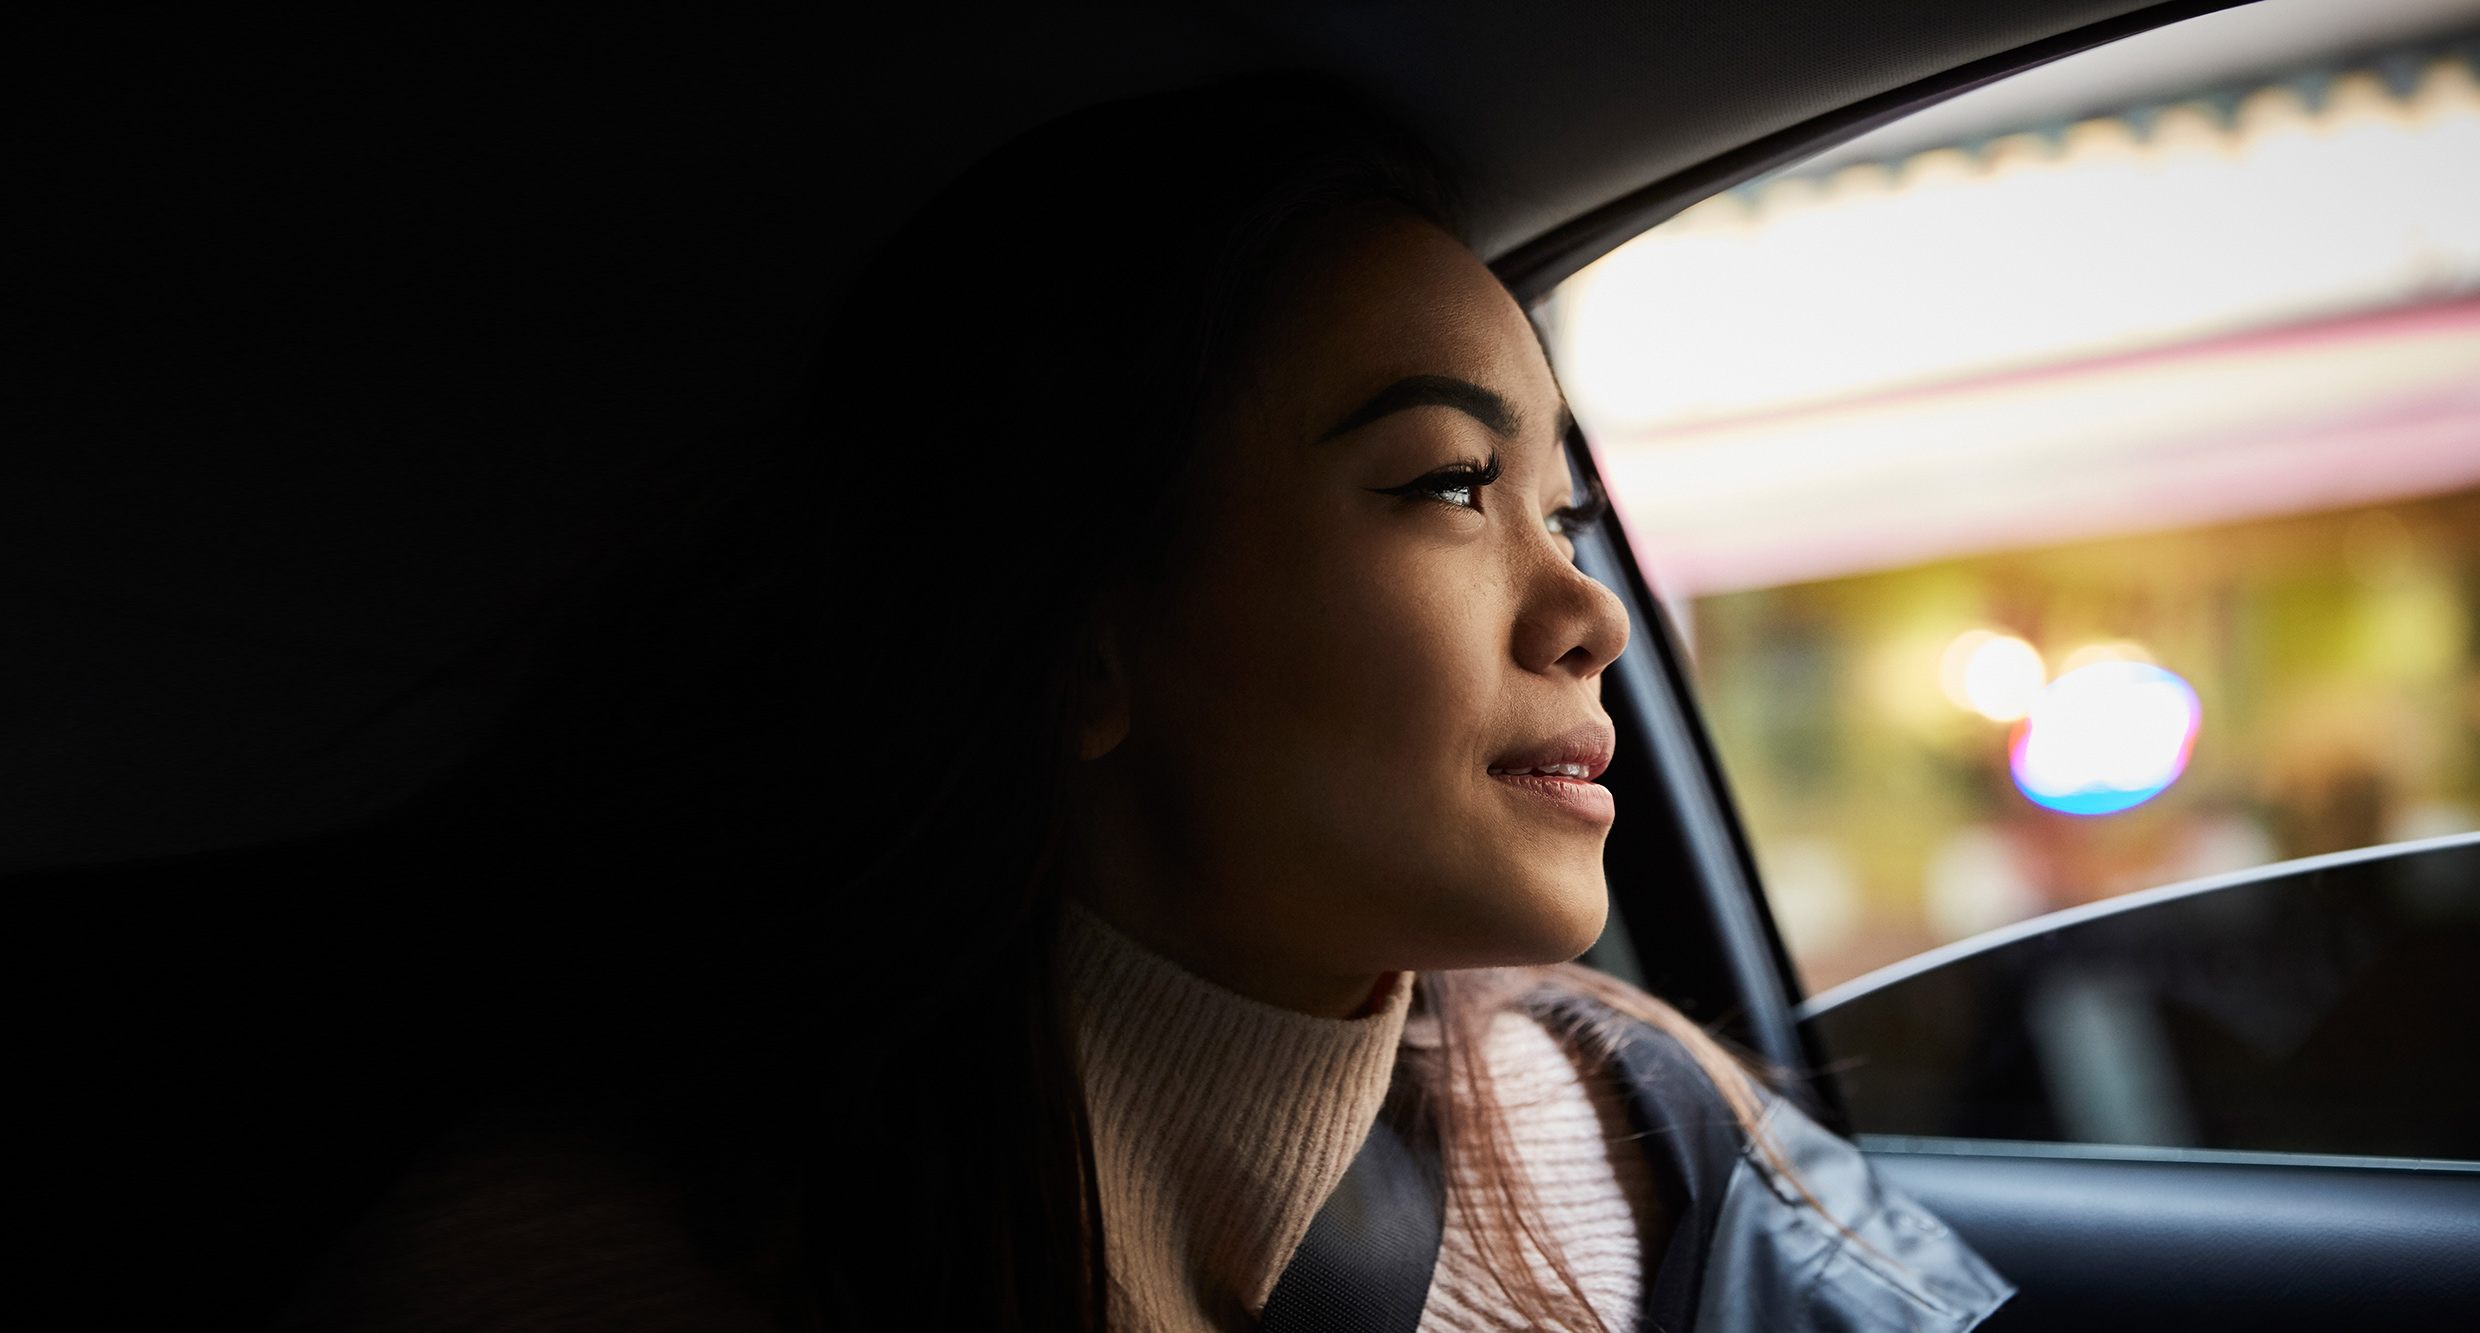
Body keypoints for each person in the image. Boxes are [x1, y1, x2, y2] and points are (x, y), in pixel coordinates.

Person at [277, 78, 2008, 1333]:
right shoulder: (602, 1266)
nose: (1590, 611)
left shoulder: (1644, 1120)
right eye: (1445, 485)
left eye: (1561, 511)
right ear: (1084, 635)